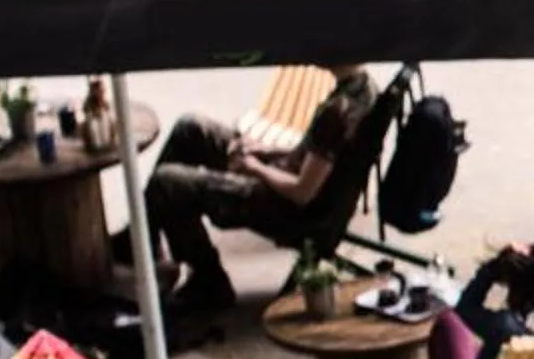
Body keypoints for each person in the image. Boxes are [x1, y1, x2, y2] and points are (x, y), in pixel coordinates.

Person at [143, 65, 378, 312]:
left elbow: (302, 193)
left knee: (167, 184)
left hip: (287, 208)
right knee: (189, 129)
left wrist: (254, 167)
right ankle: (141, 236)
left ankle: (208, 282)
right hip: (290, 179)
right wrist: (266, 151)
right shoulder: (363, 86)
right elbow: (317, 156)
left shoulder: (337, 112)